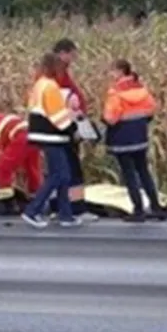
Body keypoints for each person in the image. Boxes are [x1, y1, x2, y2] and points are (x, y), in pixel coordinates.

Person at [21, 52, 81, 229]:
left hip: (42, 134)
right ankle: (32, 210)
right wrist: (73, 130)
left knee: (62, 175)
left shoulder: (39, 84)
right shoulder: (51, 87)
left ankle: (65, 215)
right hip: (52, 135)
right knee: (59, 175)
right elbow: (58, 117)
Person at [102, 59, 167, 222]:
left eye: (113, 71)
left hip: (121, 139)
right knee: (144, 171)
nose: (111, 75)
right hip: (140, 137)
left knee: (129, 174)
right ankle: (155, 206)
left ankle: (138, 209)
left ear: (120, 71)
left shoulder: (115, 93)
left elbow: (110, 118)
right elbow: (151, 110)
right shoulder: (142, 90)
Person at [51, 38, 98, 221]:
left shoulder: (54, 73)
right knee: (72, 169)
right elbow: (65, 101)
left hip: (60, 127)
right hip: (65, 127)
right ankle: (76, 208)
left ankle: (59, 207)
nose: (74, 58)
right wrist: (77, 123)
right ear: (63, 53)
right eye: (72, 54)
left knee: (60, 169)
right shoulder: (58, 74)